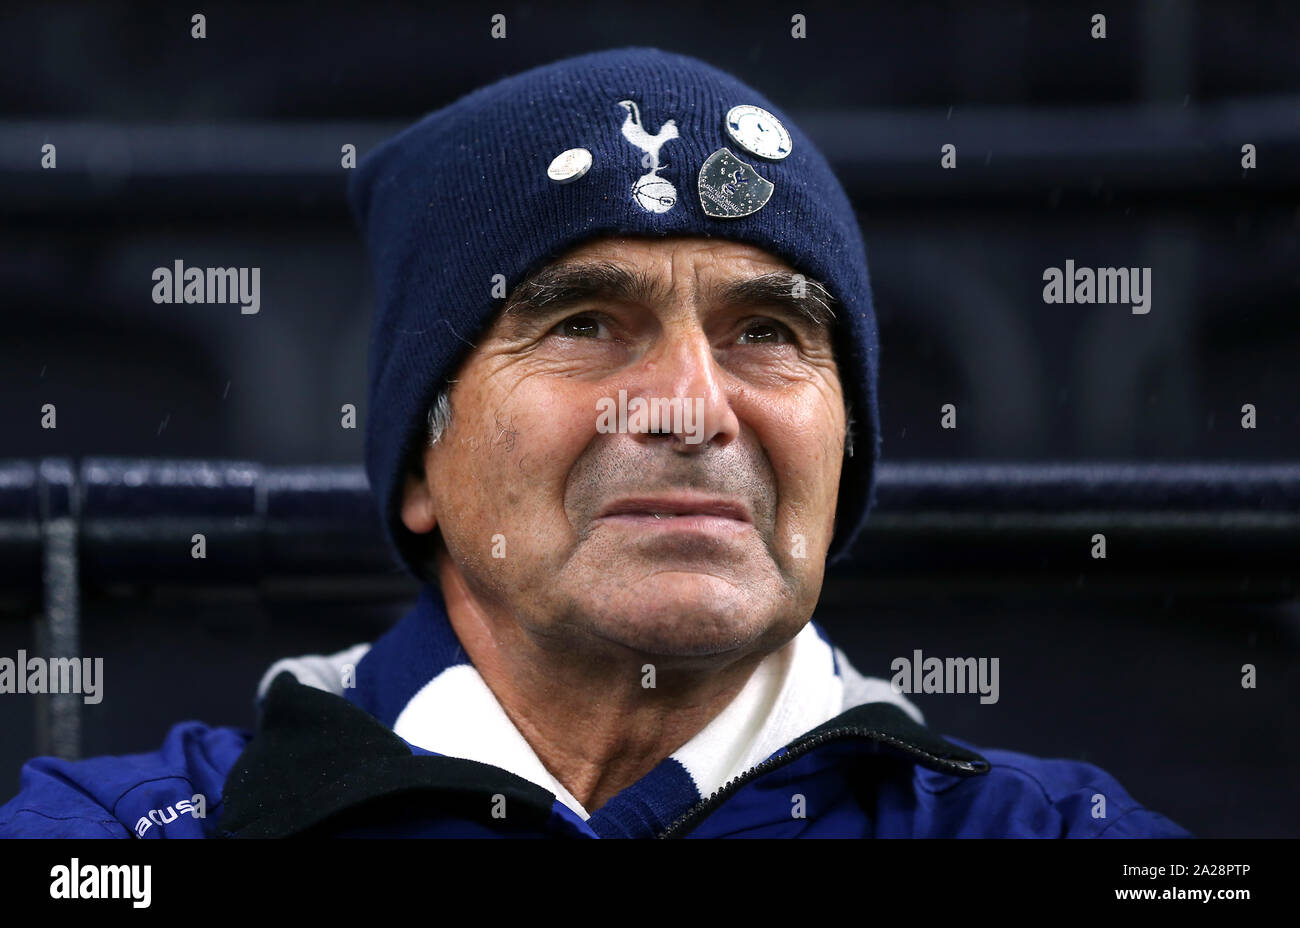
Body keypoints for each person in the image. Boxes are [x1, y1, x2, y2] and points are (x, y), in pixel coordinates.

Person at [0, 46, 1191, 838]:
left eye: (767, 331)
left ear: (843, 450)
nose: (689, 405)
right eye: (582, 323)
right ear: (420, 459)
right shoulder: (130, 833)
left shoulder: (1058, 832)